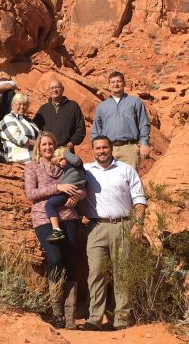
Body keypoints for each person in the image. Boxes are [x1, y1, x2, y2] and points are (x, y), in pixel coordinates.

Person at [80, 135, 147, 332]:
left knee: (122, 273)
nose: (101, 151)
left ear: (111, 149)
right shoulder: (86, 170)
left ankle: (121, 320)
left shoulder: (126, 169)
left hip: (122, 225)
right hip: (96, 227)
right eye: (97, 148)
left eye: (104, 148)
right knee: (95, 273)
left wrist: (138, 224)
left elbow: (139, 197)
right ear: (93, 150)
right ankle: (94, 318)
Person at [24, 131, 84, 329]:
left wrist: (78, 196)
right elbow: (31, 193)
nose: (48, 147)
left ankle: (69, 317)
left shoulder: (64, 165)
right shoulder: (32, 167)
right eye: (44, 145)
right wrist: (59, 188)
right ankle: (57, 312)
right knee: (55, 260)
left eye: (51, 144)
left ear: (55, 146)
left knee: (70, 262)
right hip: (44, 218)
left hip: (69, 217)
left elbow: (82, 185)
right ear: (38, 148)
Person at [91, 71, 151, 169]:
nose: (116, 84)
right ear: (109, 85)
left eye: (119, 81)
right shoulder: (102, 106)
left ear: (124, 83)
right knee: (108, 180)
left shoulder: (135, 102)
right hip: (107, 149)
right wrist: (95, 149)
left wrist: (144, 143)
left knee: (130, 180)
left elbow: (144, 123)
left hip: (129, 149)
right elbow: (96, 130)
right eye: (113, 82)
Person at [45, 146, 86, 242]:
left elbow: (77, 160)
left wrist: (65, 154)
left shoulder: (76, 165)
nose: (61, 163)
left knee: (49, 204)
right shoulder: (68, 169)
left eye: (61, 160)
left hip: (69, 191)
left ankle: (56, 230)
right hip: (71, 193)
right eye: (58, 163)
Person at [33, 78, 86, 151]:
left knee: (77, 162)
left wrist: (71, 143)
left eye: (57, 87)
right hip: (47, 151)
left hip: (66, 150)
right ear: (49, 91)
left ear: (63, 89)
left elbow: (81, 129)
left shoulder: (73, 106)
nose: (54, 90)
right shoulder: (43, 109)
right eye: (52, 88)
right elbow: (34, 128)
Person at [0, 93, 41, 163]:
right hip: (17, 154)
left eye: (25, 104)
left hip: (34, 152)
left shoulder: (30, 121)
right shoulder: (8, 118)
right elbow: (18, 138)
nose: (22, 107)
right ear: (12, 105)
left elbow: (40, 136)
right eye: (19, 104)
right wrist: (38, 143)